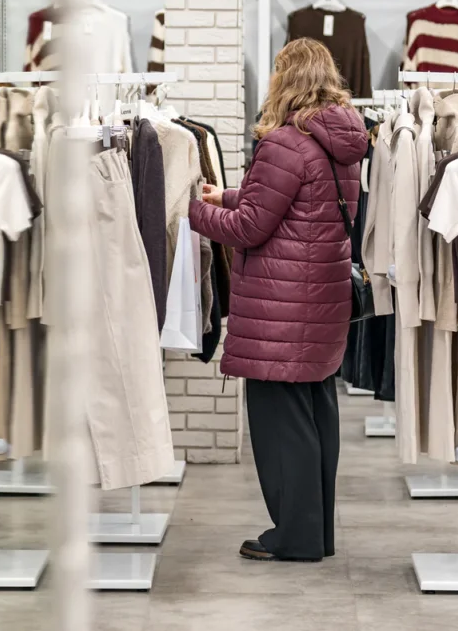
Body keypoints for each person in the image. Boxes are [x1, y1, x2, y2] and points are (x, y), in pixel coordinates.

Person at [188, 38, 367, 562]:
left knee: (280, 423)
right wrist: (221, 195)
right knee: (315, 416)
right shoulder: (339, 138)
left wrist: (189, 212)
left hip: (280, 307)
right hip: (322, 298)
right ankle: (316, 533)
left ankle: (292, 537)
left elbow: (249, 228)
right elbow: (295, 204)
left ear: (285, 78)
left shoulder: (286, 142)